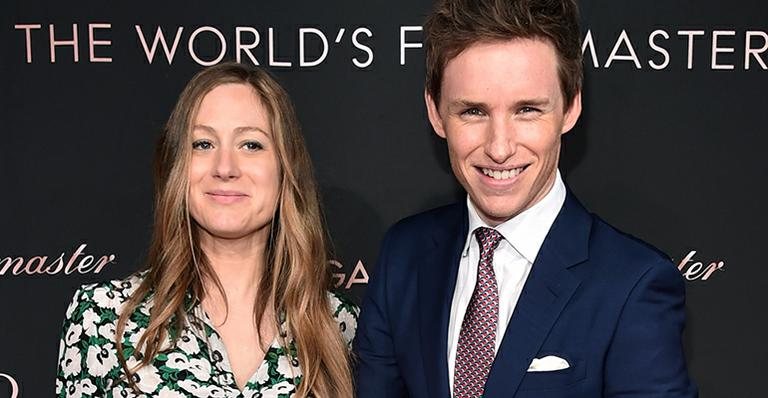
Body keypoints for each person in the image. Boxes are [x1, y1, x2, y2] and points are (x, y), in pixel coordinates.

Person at [354, 0, 697, 397]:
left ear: (571, 108)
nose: (499, 147)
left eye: (527, 110)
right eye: (473, 112)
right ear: (435, 112)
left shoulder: (633, 285)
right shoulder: (404, 255)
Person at [55, 62, 358, 398]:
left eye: (251, 145)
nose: (224, 167)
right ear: (176, 166)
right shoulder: (103, 319)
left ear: (286, 169)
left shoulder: (338, 325)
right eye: (202, 144)